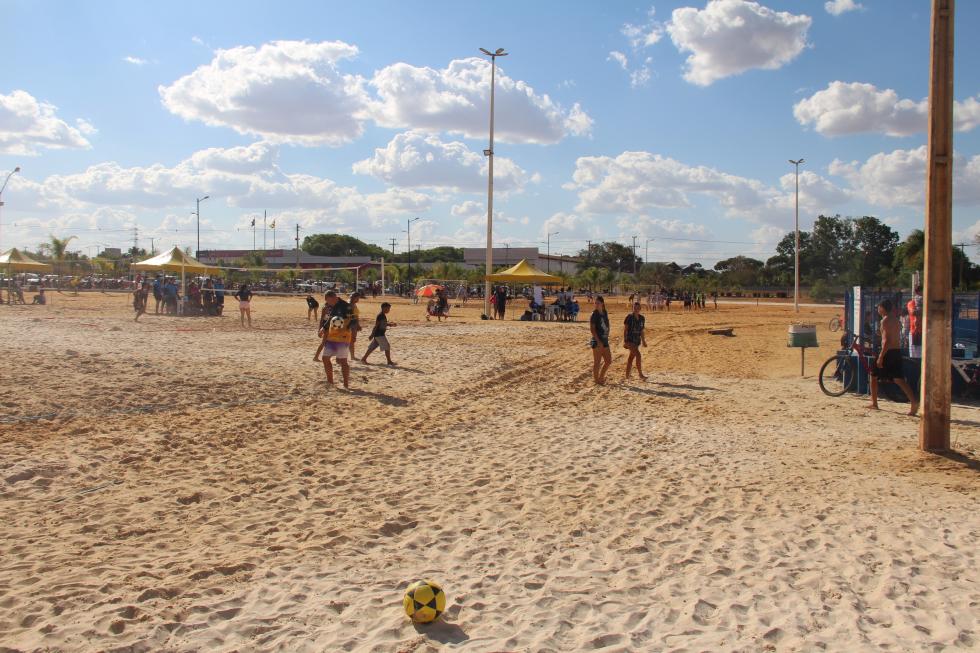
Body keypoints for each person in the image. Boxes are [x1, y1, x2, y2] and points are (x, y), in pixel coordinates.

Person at [868, 299, 918, 415]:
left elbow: (886, 341)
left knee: (873, 375)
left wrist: (881, 356)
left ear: (882, 308)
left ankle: (874, 403)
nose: (878, 309)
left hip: (887, 351)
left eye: (879, 307)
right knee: (898, 379)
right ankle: (913, 402)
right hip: (896, 351)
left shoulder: (885, 320)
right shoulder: (895, 320)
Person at [317, 290, 352, 388]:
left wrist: (345, 327)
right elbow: (330, 319)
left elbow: (354, 321)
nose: (328, 303)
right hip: (332, 337)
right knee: (325, 358)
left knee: (343, 361)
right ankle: (330, 382)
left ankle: (346, 384)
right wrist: (323, 328)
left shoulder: (346, 306)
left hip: (343, 338)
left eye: (329, 301)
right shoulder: (334, 306)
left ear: (334, 297)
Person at [590, 295, 612, 385]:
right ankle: (597, 380)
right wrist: (598, 341)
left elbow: (607, 323)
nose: (596, 304)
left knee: (608, 361)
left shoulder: (604, 312)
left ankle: (601, 377)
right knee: (597, 362)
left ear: (602, 303)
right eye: (595, 303)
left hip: (605, 340)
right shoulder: (594, 314)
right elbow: (592, 329)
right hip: (597, 341)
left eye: (598, 303)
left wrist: (608, 333)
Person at [623, 302, 648, 381]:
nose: (636, 309)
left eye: (637, 308)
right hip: (630, 340)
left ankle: (627, 375)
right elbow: (625, 330)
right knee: (638, 355)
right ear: (633, 308)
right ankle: (640, 374)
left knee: (631, 358)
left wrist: (643, 341)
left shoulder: (642, 318)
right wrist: (625, 341)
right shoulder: (629, 317)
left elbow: (641, 331)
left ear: (640, 309)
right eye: (634, 308)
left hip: (636, 341)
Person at [906, 284, 923, 359]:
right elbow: (913, 312)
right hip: (915, 332)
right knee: (915, 355)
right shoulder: (912, 303)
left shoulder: (927, 303)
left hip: (926, 332)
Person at [348, 292, 363, 359]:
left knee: (352, 340)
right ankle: (352, 356)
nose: (358, 300)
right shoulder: (349, 304)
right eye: (357, 298)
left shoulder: (353, 304)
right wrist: (357, 324)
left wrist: (358, 324)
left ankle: (352, 356)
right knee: (351, 340)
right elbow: (351, 316)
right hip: (351, 324)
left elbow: (356, 316)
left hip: (353, 324)